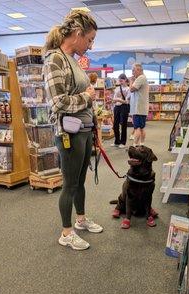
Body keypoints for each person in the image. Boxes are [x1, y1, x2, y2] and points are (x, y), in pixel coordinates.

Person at [43, 10, 103, 251]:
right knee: (69, 184)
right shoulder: (54, 59)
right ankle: (66, 233)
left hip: (84, 129)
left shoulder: (73, 60)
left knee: (80, 180)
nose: (90, 45)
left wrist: (92, 117)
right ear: (78, 34)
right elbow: (57, 102)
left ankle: (80, 220)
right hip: (69, 132)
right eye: (89, 40)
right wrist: (87, 98)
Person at [129, 64, 149, 146]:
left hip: (138, 108)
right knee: (141, 128)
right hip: (141, 108)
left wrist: (131, 81)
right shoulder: (142, 78)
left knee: (137, 128)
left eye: (134, 70)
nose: (132, 72)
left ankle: (135, 145)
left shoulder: (141, 78)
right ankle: (142, 144)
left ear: (139, 70)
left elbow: (131, 89)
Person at [111, 73, 130, 148]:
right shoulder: (117, 88)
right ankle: (116, 141)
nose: (120, 82)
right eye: (119, 81)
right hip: (117, 107)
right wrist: (113, 101)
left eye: (121, 80)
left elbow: (126, 101)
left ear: (125, 80)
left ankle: (123, 142)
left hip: (124, 107)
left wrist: (118, 99)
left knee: (123, 124)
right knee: (115, 125)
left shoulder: (128, 89)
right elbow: (114, 99)